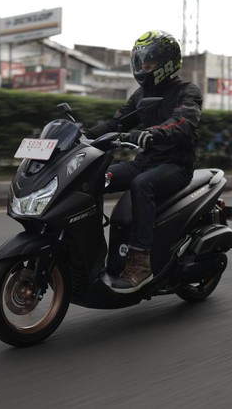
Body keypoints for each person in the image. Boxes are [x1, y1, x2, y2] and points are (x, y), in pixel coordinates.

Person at [82, 30, 203, 293]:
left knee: (141, 185)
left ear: (167, 62)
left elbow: (183, 122)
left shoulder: (187, 91)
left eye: (149, 62)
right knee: (93, 178)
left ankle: (140, 261)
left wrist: (153, 133)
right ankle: (89, 249)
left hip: (176, 165)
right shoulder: (141, 94)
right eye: (140, 61)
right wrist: (81, 137)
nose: (143, 67)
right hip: (146, 161)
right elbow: (117, 122)